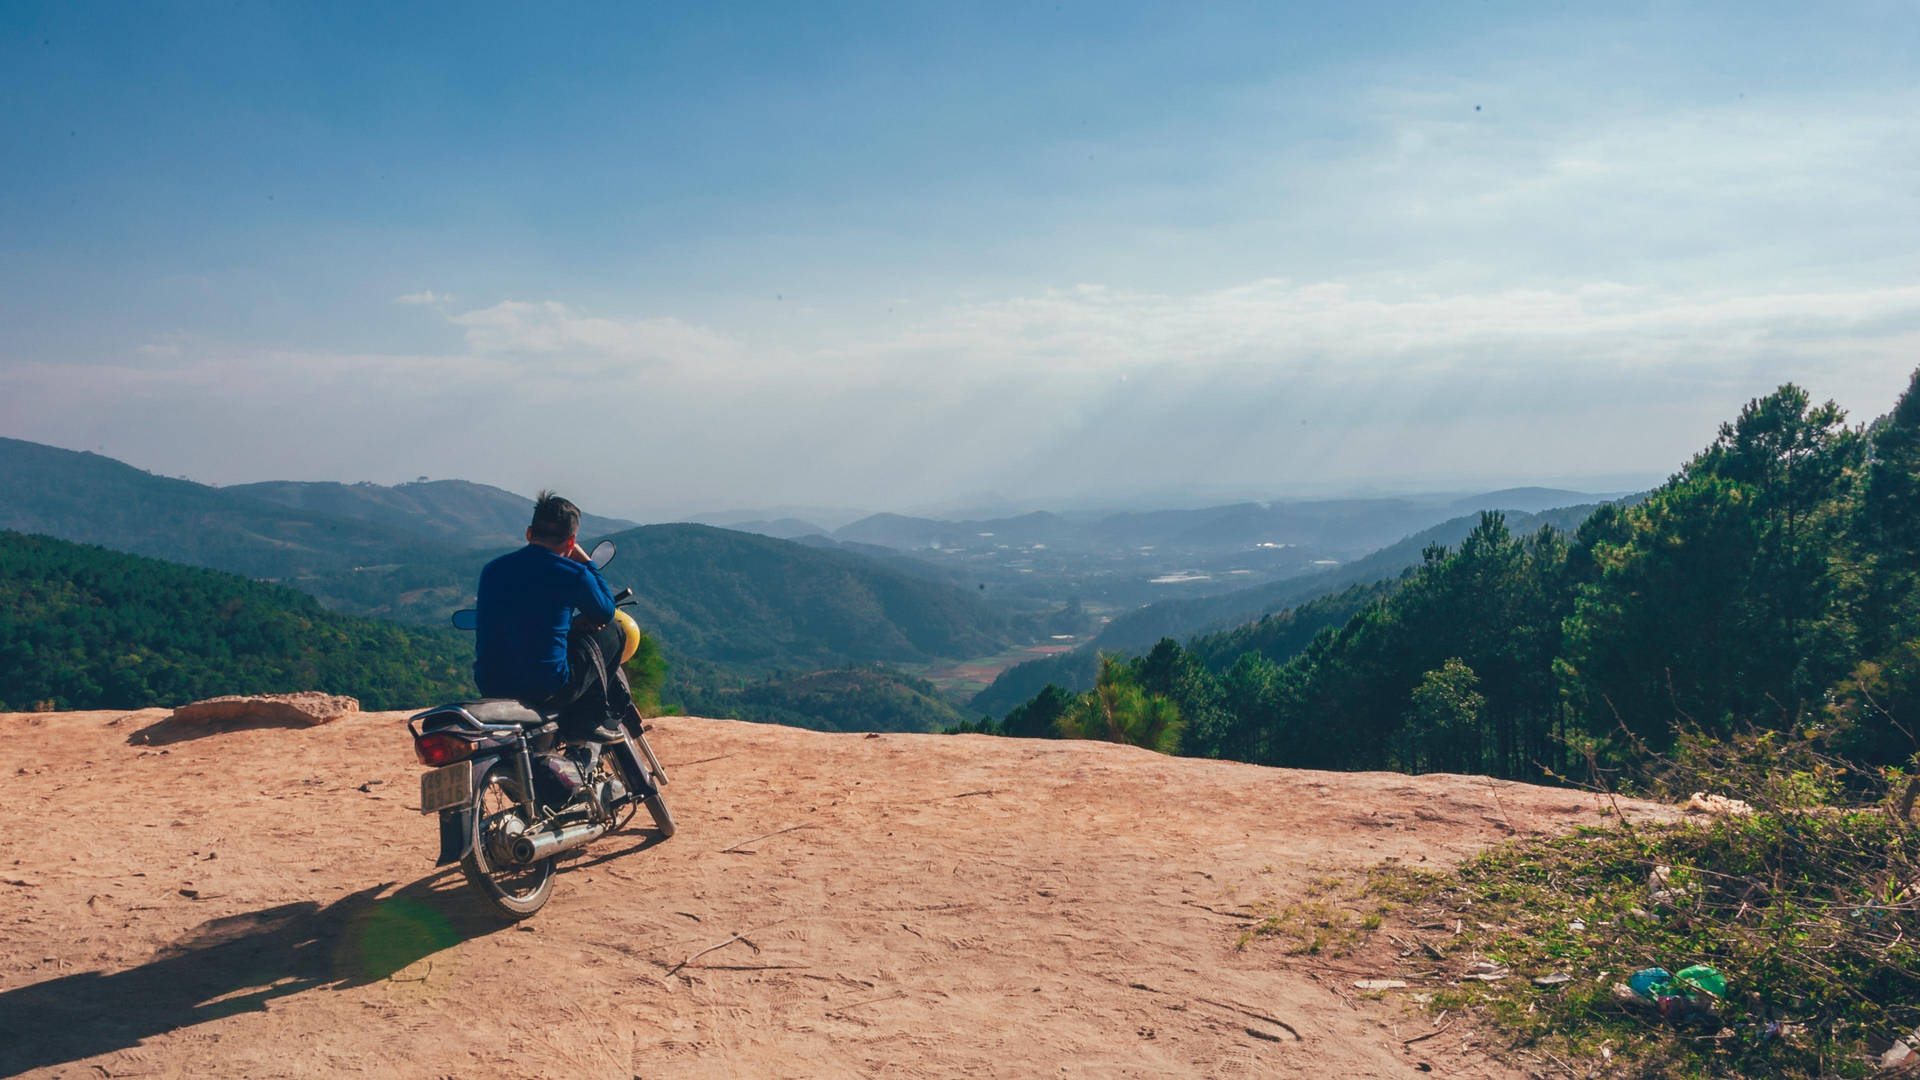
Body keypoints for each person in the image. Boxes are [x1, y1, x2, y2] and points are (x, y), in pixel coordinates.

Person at [473, 490, 630, 741]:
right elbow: (605, 612)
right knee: (615, 630)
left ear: (528, 533)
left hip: (491, 685)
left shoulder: (492, 569)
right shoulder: (571, 574)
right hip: (545, 688)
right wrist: (587, 563)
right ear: (570, 542)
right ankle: (588, 718)